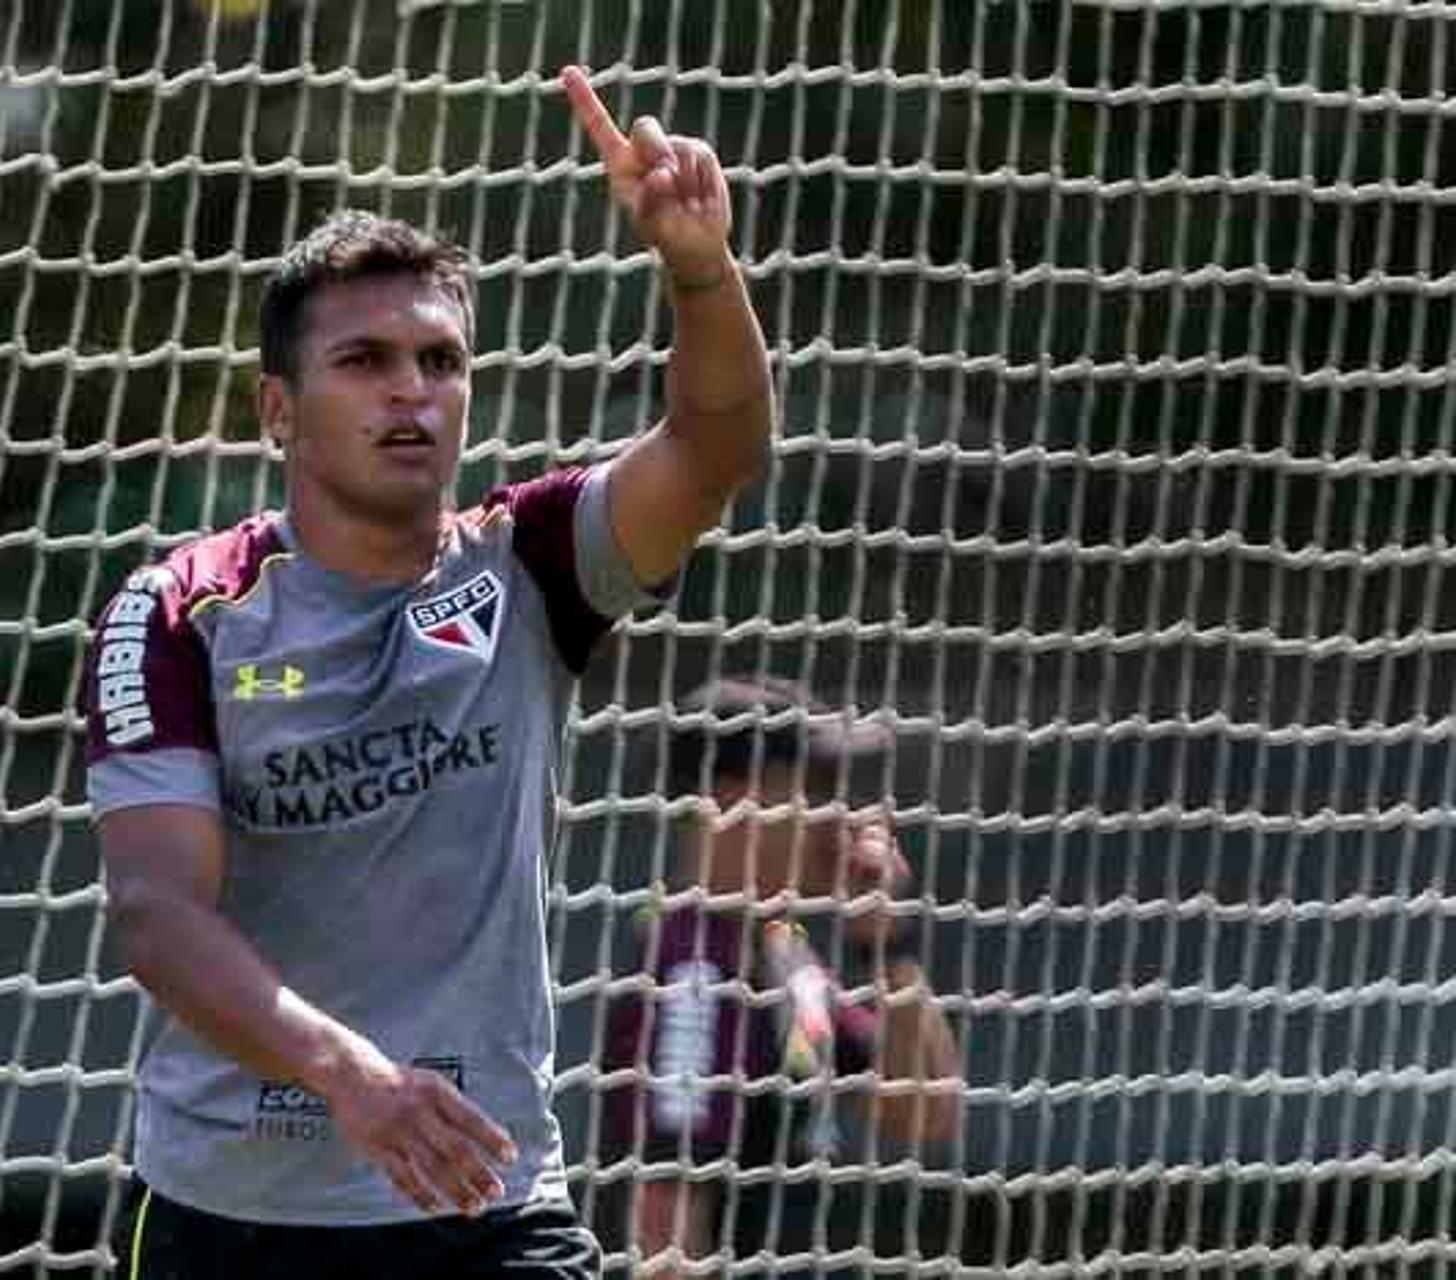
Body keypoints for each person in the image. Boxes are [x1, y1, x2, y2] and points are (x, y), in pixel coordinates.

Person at [79, 67, 772, 1279]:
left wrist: (701, 272)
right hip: (235, 1218)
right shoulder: (180, 611)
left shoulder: (532, 562)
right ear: (277, 410)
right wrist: (353, 1076)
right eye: (365, 360)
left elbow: (714, 448)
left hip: (485, 1207)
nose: (413, 388)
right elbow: (157, 911)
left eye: (440, 360)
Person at [600, 677, 964, 1277]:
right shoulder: (692, 967)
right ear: (733, 801)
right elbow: (665, 1231)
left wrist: (887, 943)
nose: (843, 815)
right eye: (818, 788)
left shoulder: (781, 947)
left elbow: (923, 1118)